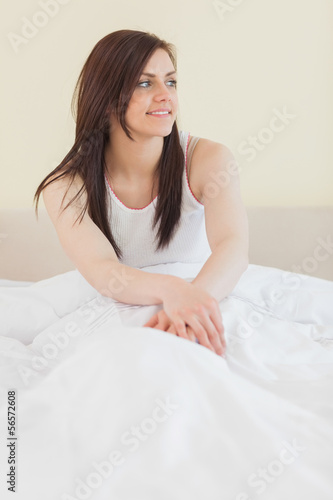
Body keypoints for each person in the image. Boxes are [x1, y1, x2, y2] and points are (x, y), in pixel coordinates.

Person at [34, 29, 249, 358]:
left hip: (209, 294)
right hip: (120, 310)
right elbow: (102, 269)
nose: (166, 95)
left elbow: (233, 247)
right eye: (145, 83)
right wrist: (172, 291)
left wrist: (190, 305)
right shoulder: (65, 187)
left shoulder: (210, 160)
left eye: (171, 81)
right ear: (107, 99)